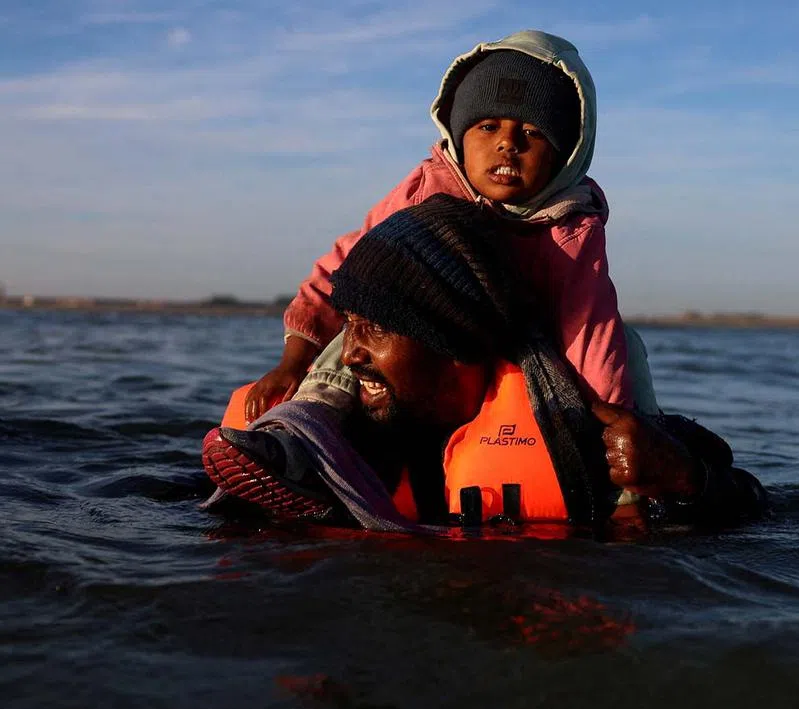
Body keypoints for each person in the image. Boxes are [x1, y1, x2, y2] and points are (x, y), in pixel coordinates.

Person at [202, 196, 767, 532]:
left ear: (452, 340)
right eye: (348, 326)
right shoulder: (336, 442)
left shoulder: (585, 430)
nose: (349, 355)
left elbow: (762, 510)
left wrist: (684, 482)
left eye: (374, 330)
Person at [245, 29, 653, 427]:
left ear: (565, 155)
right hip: (417, 356)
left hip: (512, 354)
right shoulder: (425, 194)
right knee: (362, 312)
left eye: (532, 132)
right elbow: (342, 268)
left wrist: (618, 448)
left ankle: (645, 447)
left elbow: (590, 331)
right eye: (488, 127)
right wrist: (293, 361)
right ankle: (309, 423)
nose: (508, 144)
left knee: (627, 344)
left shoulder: (571, 226)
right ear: (459, 135)